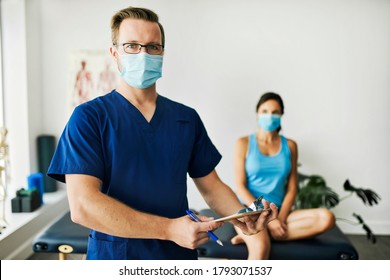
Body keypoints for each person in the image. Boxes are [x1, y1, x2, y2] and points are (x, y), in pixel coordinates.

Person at [47, 6, 278, 260]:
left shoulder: (186, 118)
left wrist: (243, 218)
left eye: (152, 47)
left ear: (162, 53)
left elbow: (212, 187)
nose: (143, 54)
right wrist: (168, 229)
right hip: (116, 258)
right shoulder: (89, 118)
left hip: (176, 258)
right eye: (132, 46)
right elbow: (83, 206)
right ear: (114, 53)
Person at [231, 92, 335, 259]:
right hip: (250, 212)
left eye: (274, 112)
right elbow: (240, 186)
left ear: (281, 115)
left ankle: (253, 235)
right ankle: (257, 236)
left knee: (326, 218)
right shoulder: (243, 143)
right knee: (261, 248)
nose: (269, 116)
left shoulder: (291, 146)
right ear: (257, 113)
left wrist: (277, 218)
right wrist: (268, 219)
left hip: (280, 212)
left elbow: (292, 188)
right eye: (264, 111)